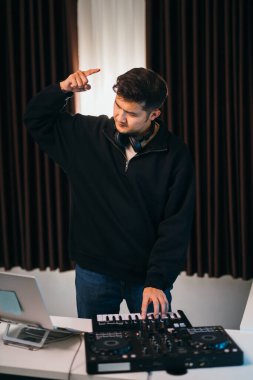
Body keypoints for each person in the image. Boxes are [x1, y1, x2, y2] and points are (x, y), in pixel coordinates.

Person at [24, 67, 195, 319]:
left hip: (147, 279)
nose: (120, 117)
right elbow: (35, 119)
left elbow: (176, 225)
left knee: (156, 351)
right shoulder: (87, 135)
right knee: (96, 351)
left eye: (132, 113)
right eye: (118, 106)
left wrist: (158, 280)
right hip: (94, 273)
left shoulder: (176, 155)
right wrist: (62, 90)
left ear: (154, 114)